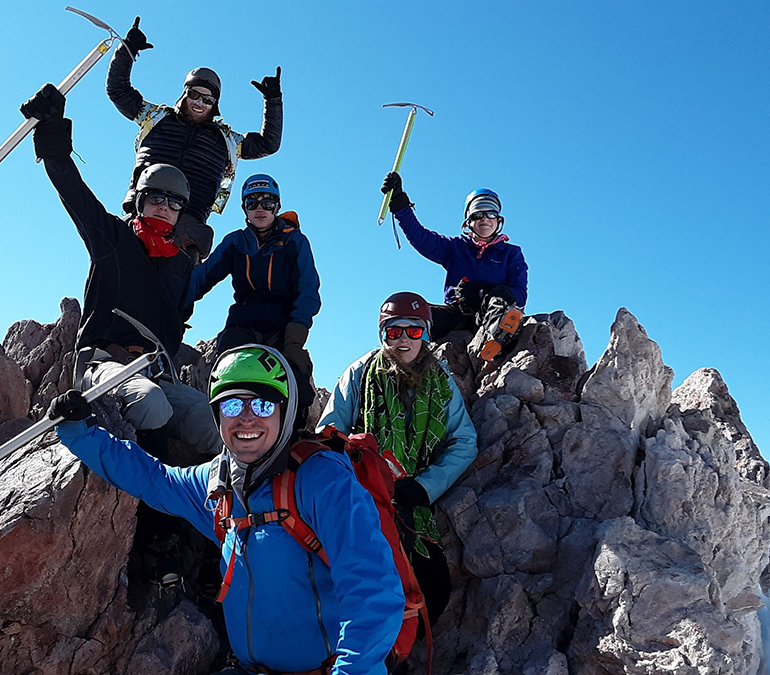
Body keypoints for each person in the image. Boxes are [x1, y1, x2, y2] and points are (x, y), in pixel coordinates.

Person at [49, 345, 404, 675]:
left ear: (285, 410)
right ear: (218, 415)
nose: (247, 419)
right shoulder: (218, 482)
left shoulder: (321, 480)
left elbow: (372, 592)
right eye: (232, 405)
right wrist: (83, 433)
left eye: (263, 405)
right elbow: (154, 480)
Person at [19, 83, 218, 455]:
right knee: (150, 402)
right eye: (155, 197)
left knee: (211, 424)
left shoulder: (178, 261)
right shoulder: (112, 238)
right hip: (106, 363)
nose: (164, 206)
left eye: (174, 202)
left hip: (156, 369)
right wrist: (51, 129)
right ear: (140, 200)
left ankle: (203, 505)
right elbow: (72, 189)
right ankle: (148, 500)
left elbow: (178, 317)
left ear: (181, 212)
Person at [316, 292, 478, 628]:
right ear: (383, 334)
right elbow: (328, 434)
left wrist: (424, 487)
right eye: (393, 331)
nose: (403, 339)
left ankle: (397, 652)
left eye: (413, 331)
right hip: (361, 494)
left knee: (432, 586)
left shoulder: (441, 382)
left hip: (410, 499)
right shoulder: (360, 373)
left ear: (426, 334)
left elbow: (464, 442)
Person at [107, 17, 283, 263]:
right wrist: (128, 50)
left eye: (208, 99)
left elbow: (267, 144)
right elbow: (119, 90)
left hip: (189, 223)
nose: (200, 103)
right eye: (195, 95)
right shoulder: (156, 117)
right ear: (184, 93)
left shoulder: (227, 141)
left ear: (215, 104)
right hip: (144, 210)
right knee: (121, 269)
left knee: (173, 287)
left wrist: (273, 101)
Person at [187, 174, 320, 427]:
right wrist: (175, 306)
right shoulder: (236, 242)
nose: (260, 209)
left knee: (296, 385)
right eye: (252, 203)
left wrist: (294, 339)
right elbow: (203, 278)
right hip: (243, 324)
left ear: (277, 207)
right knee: (231, 375)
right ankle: (228, 435)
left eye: (267, 203)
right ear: (244, 209)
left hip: (282, 328)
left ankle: (293, 437)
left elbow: (309, 290)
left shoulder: (294, 242)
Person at [381, 172, 530, 360]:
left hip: (490, 313)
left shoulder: (511, 253)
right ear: (468, 222)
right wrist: (400, 204)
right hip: (457, 315)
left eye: (491, 213)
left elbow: (520, 293)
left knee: (503, 297)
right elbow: (421, 238)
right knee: (415, 312)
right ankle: (401, 354)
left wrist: (484, 293)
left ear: (498, 220)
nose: (485, 218)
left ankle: (494, 341)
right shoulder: (455, 248)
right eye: (478, 214)